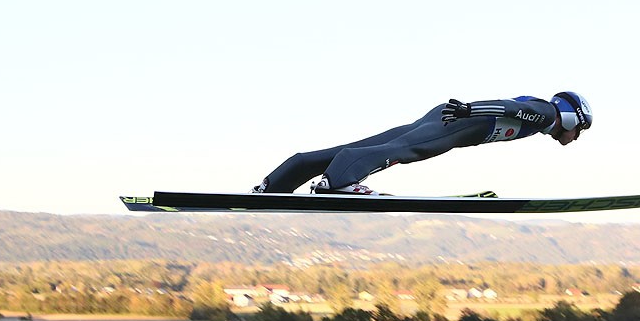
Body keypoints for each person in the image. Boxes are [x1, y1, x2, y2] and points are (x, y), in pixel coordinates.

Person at [252, 92, 593, 195]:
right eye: (579, 129)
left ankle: (279, 181)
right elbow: (508, 108)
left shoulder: (542, 118)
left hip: (452, 119)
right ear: (571, 117)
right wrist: (469, 110)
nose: (576, 137)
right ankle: (339, 182)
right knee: (406, 150)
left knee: (380, 143)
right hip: (460, 122)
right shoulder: (546, 114)